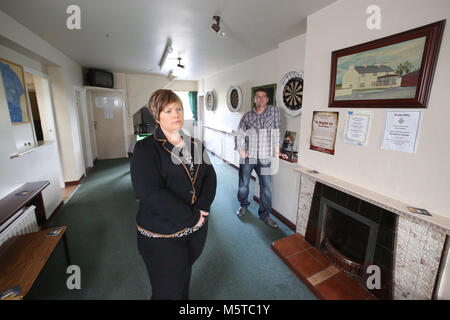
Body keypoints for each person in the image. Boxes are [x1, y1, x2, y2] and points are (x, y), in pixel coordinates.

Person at [130, 89, 217, 300]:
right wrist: (192, 217)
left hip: (195, 232)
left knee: (182, 281)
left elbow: (209, 176)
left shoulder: (195, 143)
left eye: (178, 108)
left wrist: (203, 207)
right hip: (162, 236)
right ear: (156, 115)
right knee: (167, 292)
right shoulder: (145, 149)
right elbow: (149, 192)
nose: (175, 114)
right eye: (168, 110)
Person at [236, 88, 288, 228]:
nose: (261, 99)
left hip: (265, 157)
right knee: (243, 184)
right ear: (254, 99)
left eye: (263, 96)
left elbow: (276, 133)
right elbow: (239, 133)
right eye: (258, 97)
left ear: (268, 99)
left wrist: (277, 153)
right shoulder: (247, 116)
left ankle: (265, 215)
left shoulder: (274, 112)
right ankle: (243, 205)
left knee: (266, 188)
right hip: (249, 155)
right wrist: (241, 150)